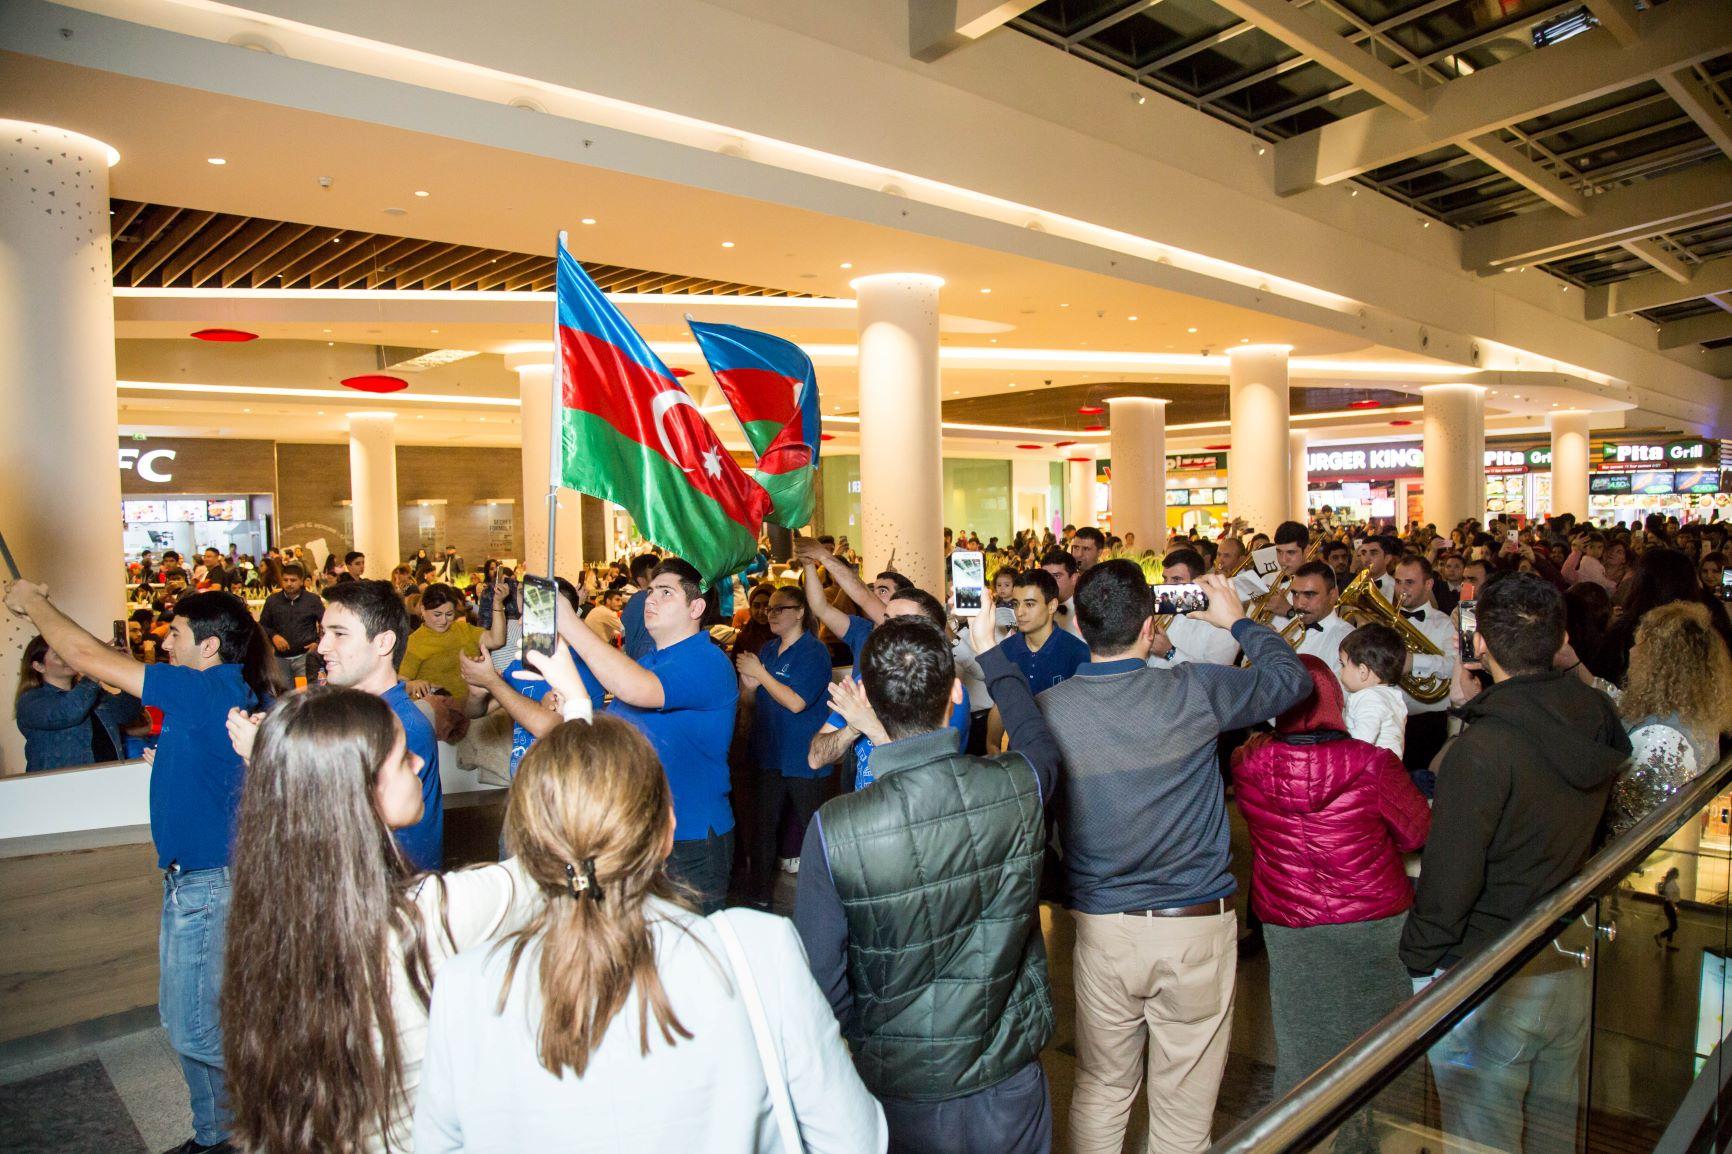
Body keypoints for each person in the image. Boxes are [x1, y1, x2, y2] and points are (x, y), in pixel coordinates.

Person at [414, 717, 886, 1153]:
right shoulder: (759, 952)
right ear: (668, 831)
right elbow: (854, 1140)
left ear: (522, 844)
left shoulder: (464, 987)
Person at [1012, 564, 1309, 1154]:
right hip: (1195, 925)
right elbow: (1292, 681)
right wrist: (1239, 621)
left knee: (1102, 1086)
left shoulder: (1049, 710)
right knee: (1184, 1102)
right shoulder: (1193, 688)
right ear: (1151, 627)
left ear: (1077, 621)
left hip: (1103, 929)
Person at [4, 581, 273, 1154]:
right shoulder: (206, 694)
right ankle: (217, 1135)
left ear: (208, 647)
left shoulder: (202, 689)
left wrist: (32, 602)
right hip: (191, 881)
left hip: (209, 883)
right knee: (188, 1020)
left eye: (175, 634)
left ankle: (282, 1105)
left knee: (192, 1026)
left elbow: (83, 657)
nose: (165, 641)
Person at [221, 687, 539, 1154]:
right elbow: (563, 855)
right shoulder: (429, 913)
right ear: (361, 791)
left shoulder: (270, 917)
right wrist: (572, 709)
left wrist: (277, 763)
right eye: (402, 757)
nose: (419, 763)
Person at [795, 616, 1057, 1153]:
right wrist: (991, 652)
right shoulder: (1015, 784)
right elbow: (1039, 739)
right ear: (956, 691)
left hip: (900, 1091)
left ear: (867, 699)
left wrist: (872, 1037)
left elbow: (820, 975)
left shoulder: (836, 827)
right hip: (1006, 1076)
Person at [1401, 573, 1631, 1154]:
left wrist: (1421, 961)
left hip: (1488, 969)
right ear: (1560, 640)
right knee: (1555, 1132)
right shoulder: (1596, 713)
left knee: (1482, 1137)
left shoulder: (1483, 749)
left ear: (1480, 646)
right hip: (1568, 957)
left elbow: (1452, 878)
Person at [1232, 655, 1430, 1101]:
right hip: (1372, 917)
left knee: (1302, 1048)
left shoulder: (1247, 763)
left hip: (1289, 922)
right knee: (1383, 1045)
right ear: (1338, 702)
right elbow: (1417, 832)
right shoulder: (1372, 763)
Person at [555, 558, 739, 913]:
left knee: (689, 955)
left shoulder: (707, 660)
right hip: (640, 834)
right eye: (651, 590)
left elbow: (636, 690)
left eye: (666, 593)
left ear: (696, 607)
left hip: (691, 837)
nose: (650, 599)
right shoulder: (650, 660)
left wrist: (569, 622)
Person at [319, 579, 447, 871]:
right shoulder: (365, 717)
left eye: (338, 634)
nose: (323, 647)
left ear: (383, 642)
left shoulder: (398, 727)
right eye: (324, 633)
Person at [738, 586, 834, 906]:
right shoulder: (768, 649)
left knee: (816, 829)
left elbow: (796, 703)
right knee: (763, 830)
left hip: (803, 756)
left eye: (780, 609)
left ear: (800, 613)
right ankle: (759, 897)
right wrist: (748, 685)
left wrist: (760, 675)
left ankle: (830, 899)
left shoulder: (814, 652)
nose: (771, 614)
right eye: (769, 609)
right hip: (769, 752)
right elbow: (750, 702)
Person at [1603, 602, 1732, 835]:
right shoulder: (1691, 714)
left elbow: (1625, 822)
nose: (1631, 651)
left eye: (1639, 644)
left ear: (1661, 663)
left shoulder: (1663, 739)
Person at [460, 578, 607, 781]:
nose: (520, 622)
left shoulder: (584, 666)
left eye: (531, 616)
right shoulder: (526, 661)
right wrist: (478, 693)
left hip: (568, 783)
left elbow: (549, 726)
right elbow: (476, 712)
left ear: (562, 617)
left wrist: (491, 681)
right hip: (526, 783)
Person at [15, 634, 141, 771]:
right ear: (39, 667)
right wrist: (95, 669)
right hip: (59, 787)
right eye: (58, 655)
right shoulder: (31, 701)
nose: (67, 658)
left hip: (106, 779)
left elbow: (127, 713)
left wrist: (127, 668)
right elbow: (69, 712)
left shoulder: (91, 692)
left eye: (67, 652)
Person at [1390, 555, 1456, 783]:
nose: (1401, 589)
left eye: (1409, 582)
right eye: (1398, 582)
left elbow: (1453, 665)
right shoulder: (1386, 623)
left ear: (1428, 585)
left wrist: (1414, 662)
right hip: (1391, 720)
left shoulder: (1443, 623)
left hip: (1429, 723)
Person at [400, 584, 503, 702]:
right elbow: (400, 683)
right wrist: (412, 684)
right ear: (423, 609)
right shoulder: (415, 642)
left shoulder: (463, 629)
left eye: (449, 614)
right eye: (437, 614)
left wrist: (498, 604)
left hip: (475, 705)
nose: (443, 621)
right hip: (441, 713)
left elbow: (496, 640)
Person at [1000, 568, 1090, 692]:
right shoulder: (1005, 649)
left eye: (1029, 604)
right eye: (1016, 604)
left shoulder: (1078, 653)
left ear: (1052, 606)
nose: (1019, 612)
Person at [1338, 623, 1407, 760]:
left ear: (1363, 671)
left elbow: (1362, 741)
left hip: (1372, 774)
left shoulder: (1369, 697)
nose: (1340, 671)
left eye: (1343, 665)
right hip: (1389, 771)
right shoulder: (1391, 695)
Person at [257, 562, 323, 686]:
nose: (289, 583)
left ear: (302, 581)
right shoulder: (272, 601)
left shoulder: (313, 600)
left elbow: (324, 624)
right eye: (285, 580)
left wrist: (317, 643)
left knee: (307, 697)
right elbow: (263, 625)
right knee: (284, 697)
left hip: (306, 657)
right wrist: (274, 636)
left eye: (293, 580)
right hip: (280, 658)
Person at [620, 552, 661, 661]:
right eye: (655, 574)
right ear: (641, 580)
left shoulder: (634, 601)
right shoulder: (645, 599)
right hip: (649, 662)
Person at [1041, 548, 1083, 637]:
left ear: (1074, 578)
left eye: (1056, 576)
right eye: (1045, 576)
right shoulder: (1035, 609)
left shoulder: (1086, 612)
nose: (1049, 581)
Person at [1656, 867, 1682, 951]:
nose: (1678, 875)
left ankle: (1669, 944)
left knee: (1671, 925)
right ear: (1674, 874)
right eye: (1677, 873)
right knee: (1674, 926)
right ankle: (1659, 936)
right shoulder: (1670, 884)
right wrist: (1675, 908)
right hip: (1670, 906)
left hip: (1671, 906)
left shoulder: (1671, 882)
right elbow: (1670, 899)